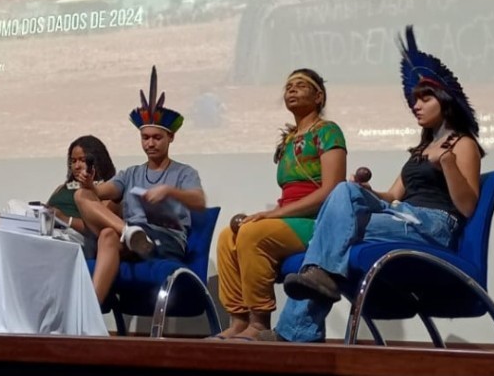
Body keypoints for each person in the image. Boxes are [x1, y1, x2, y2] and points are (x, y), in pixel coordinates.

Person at [266, 26, 485, 342]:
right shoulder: (421, 150)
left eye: (425, 98)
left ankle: (297, 329)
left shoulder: (461, 143)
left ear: (444, 99)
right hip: (403, 214)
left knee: (329, 241)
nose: (416, 105)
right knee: (344, 190)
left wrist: (448, 164)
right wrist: (365, 192)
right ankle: (316, 288)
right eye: (414, 100)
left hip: (434, 225)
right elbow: (392, 195)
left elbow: (467, 206)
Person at [212, 69, 346, 341]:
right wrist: (273, 215)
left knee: (252, 232)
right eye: (288, 87)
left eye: (300, 86)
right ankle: (238, 321)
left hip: (317, 223)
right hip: (290, 217)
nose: (291, 90)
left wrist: (273, 215)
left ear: (318, 96)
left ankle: (259, 322)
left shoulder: (328, 131)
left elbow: (332, 191)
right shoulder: (289, 140)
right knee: (229, 236)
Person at [75, 66, 206, 305]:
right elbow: (100, 193)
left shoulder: (184, 172)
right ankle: (92, 313)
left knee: (107, 234)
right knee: (85, 201)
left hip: (165, 240)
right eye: (145, 138)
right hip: (132, 239)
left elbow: (200, 201)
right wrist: (89, 184)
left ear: (171, 138)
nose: (150, 144)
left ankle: (89, 313)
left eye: (157, 138)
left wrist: (169, 191)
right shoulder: (131, 173)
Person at [46, 135, 119, 255]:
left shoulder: (105, 190)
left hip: (76, 237)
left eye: (82, 160)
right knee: (13, 205)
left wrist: (63, 218)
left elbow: (98, 227)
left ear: (96, 161)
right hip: (49, 231)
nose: (76, 166)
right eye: (73, 161)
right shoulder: (61, 188)